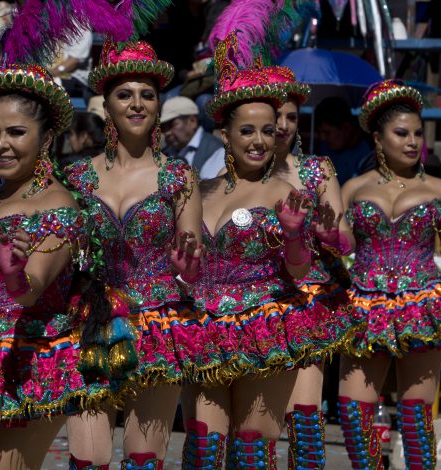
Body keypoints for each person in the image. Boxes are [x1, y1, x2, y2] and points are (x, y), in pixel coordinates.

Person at [174, 32, 349, 469]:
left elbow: (298, 266)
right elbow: (191, 265)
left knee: (254, 446)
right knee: (203, 449)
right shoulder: (201, 188)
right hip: (204, 329)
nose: (259, 140)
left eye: (268, 131)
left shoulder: (285, 189)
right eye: (247, 130)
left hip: (264, 329)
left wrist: (295, 235)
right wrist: (184, 271)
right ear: (225, 134)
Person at [0, 59, 112, 469]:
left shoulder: (58, 206)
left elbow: (31, 288)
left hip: (27, 360)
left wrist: (13, 271)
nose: (0, 144)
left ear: (46, 139)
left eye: (16, 132)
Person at [65, 38, 202, 469]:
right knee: (89, 459)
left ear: (160, 106)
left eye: (148, 94)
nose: (138, 103)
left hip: (160, 322)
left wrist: (187, 265)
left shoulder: (179, 175)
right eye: (125, 94)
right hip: (91, 321)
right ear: (106, 106)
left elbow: (194, 262)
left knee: (144, 458)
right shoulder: (75, 178)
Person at [338, 79, 441, 470]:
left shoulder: (440, 189)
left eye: (418, 133)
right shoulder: (353, 188)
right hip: (365, 303)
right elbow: (343, 246)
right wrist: (317, 232)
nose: (413, 141)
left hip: (422, 303)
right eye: (402, 133)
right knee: (352, 412)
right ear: (378, 139)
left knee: (416, 416)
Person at [268, 65, 355, 469]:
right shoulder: (231, 176)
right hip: (252, 306)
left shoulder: (318, 170)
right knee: (255, 430)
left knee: (304, 418)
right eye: (275, 116)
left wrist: (328, 234)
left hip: (305, 304)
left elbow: (347, 239)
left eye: (291, 117)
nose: (283, 125)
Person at [161, 96, 224, 179]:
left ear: (192, 121)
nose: (167, 132)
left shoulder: (217, 151)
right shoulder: (165, 153)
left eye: (172, 125)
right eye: (164, 128)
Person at [314, 96, 373, 185]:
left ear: (346, 128)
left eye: (327, 132)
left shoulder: (366, 156)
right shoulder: (324, 148)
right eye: (319, 132)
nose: (323, 138)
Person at [49, 26, 93, 101]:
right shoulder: (48, 27)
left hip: (73, 76)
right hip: (51, 73)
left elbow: (73, 62)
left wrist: (47, 74)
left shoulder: (82, 29)